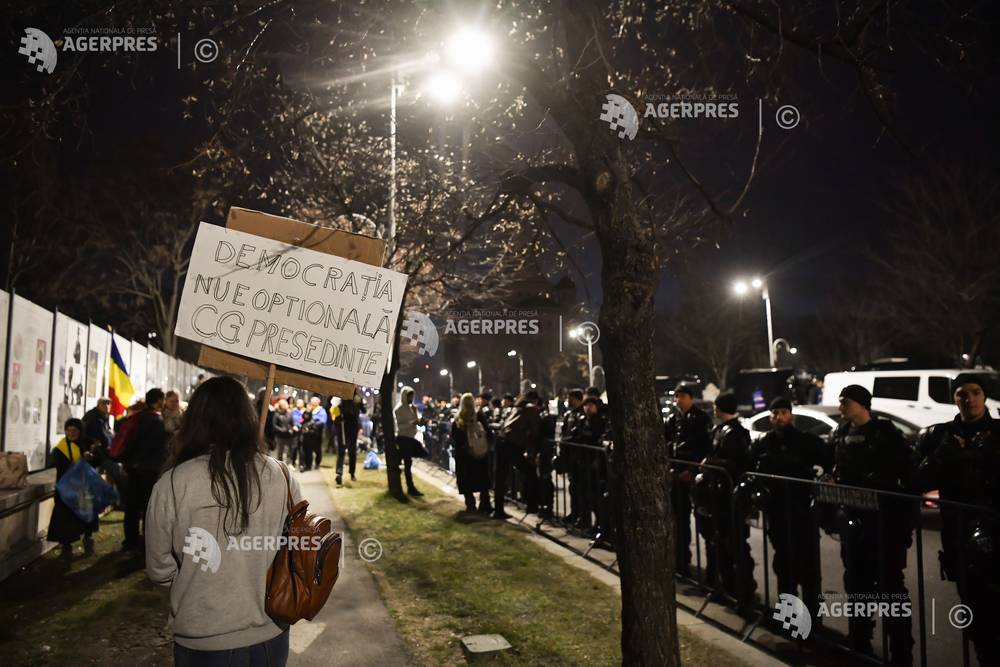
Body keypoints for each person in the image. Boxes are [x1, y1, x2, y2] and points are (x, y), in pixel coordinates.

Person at [145, 376, 299, 665]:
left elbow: (158, 567)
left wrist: (193, 585)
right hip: (271, 635)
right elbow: (295, 547)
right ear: (248, 417)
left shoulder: (174, 483)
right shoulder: (282, 475)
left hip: (204, 635)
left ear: (194, 421)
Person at [917, 374, 1000, 665]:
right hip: (957, 533)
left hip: (994, 528)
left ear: (985, 395)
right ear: (954, 398)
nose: (969, 399)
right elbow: (919, 479)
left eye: (975, 392)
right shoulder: (940, 435)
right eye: (961, 393)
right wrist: (943, 454)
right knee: (974, 610)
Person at [831, 384, 913, 664]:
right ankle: (860, 642)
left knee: (891, 588)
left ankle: (901, 651)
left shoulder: (885, 433)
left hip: (884, 525)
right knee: (857, 585)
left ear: (861, 404)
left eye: (845, 402)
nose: (840, 407)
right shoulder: (841, 433)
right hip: (854, 526)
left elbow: (905, 473)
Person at [750, 397, 829, 619]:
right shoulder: (765, 442)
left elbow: (827, 466)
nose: (778, 417)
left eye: (783, 412)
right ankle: (789, 617)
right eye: (774, 413)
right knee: (784, 566)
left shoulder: (807, 442)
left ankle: (814, 618)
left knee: (809, 567)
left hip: (802, 512)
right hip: (777, 513)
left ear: (791, 415)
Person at [700, 392, 756, 610]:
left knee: (736, 545)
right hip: (719, 497)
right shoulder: (719, 429)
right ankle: (727, 588)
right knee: (720, 543)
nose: (713, 410)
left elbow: (738, 463)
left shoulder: (737, 432)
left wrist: (713, 463)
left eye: (716, 406)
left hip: (732, 498)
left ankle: (743, 592)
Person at [663, 383, 712, 577]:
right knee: (678, 518)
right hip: (676, 475)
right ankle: (681, 559)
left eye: (682, 396)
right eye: (676, 396)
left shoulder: (700, 419)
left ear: (690, 398)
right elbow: (666, 443)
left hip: (694, 475)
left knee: (703, 522)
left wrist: (692, 469)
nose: (678, 400)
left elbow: (705, 448)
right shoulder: (673, 420)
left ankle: (711, 571)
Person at [122, 388, 168, 552]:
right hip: (149, 469)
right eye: (162, 400)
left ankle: (130, 539)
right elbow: (158, 446)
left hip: (134, 467)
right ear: (157, 401)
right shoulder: (156, 420)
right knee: (148, 506)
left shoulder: (138, 417)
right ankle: (146, 542)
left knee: (132, 506)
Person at [48, 418, 98, 558]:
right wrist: (81, 460)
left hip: (85, 486)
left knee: (86, 515)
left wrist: (92, 457)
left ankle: (88, 540)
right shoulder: (61, 448)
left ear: (80, 431)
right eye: (68, 430)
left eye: (74, 430)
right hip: (67, 487)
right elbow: (57, 465)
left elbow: (100, 459)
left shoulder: (88, 443)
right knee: (65, 518)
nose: (71, 433)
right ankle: (66, 547)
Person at [493, 390, 542, 519]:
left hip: (502, 441)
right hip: (512, 444)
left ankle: (498, 509)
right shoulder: (531, 409)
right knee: (530, 472)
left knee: (500, 476)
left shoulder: (517, 408)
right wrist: (533, 451)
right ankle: (533, 505)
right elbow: (535, 431)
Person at [451, 393, 493, 513]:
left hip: (464, 454)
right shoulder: (479, 415)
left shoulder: (458, 418)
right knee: (482, 478)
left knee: (465, 479)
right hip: (479, 453)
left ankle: (470, 504)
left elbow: (455, 436)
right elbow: (488, 432)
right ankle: (485, 503)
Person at [559, 389, 588, 525]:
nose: (568, 401)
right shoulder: (569, 414)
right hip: (571, 456)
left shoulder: (582, 415)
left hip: (580, 457)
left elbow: (580, 435)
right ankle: (575, 513)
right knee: (573, 488)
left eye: (570, 399)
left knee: (581, 489)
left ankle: (583, 517)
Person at [394, 387, 424, 497]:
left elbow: (416, 422)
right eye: (409, 396)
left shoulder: (412, 408)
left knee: (408, 463)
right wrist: (412, 423)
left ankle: (410, 487)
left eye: (412, 396)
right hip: (403, 438)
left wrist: (416, 415)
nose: (411, 398)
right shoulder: (399, 409)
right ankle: (409, 487)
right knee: (406, 463)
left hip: (411, 437)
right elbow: (400, 425)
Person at [336, 390, 366, 485]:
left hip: (352, 426)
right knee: (342, 449)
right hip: (343, 425)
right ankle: (339, 473)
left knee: (352, 451)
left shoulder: (357, 397)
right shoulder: (341, 395)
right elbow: (332, 406)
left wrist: (360, 403)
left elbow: (363, 410)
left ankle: (351, 473)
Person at [271, 399, 295, 463]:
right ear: (280, 405)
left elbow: (292, 423)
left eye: (286, 404)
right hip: (280, 435)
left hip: (288, 435)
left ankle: (288, 464)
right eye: (283, 404)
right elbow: (274, 425)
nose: (285, 405)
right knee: (280, 451)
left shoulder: (290, 413)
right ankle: (279, 464)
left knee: (289, 450)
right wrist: (281, 430)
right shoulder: (276, 414)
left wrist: (292, 428)